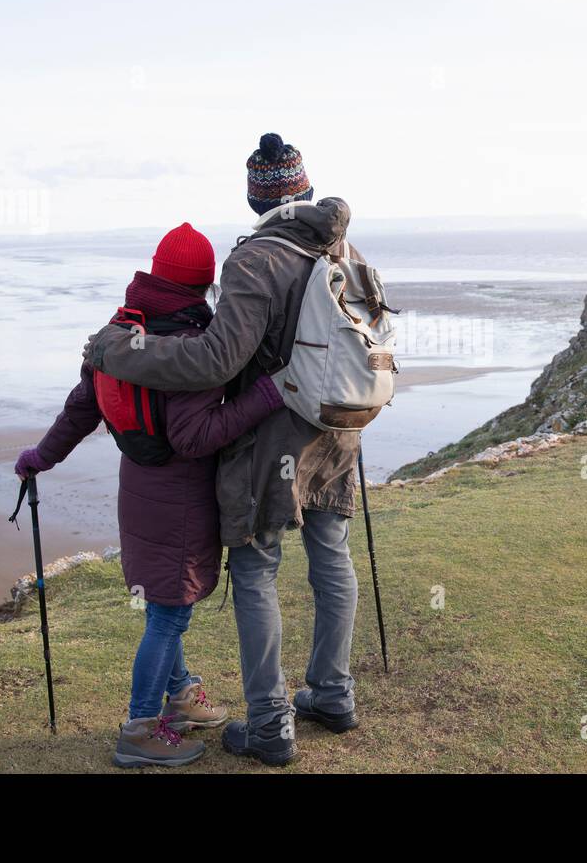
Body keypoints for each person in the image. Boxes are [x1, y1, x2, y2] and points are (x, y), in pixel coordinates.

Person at [85, 133, 367, 766]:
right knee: (330, 553)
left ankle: (270, 725)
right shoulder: (341, 248)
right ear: (305, 189)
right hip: (337, 430)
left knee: (257, 569)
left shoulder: (256, 259)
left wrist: (120, 350)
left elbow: (217, 360)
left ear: (255, 196)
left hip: (273, 442)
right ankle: (332, 693)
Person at [16, 222, 285, 768]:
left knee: (163, 602)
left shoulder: (120, 331)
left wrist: (40, 457)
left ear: (155, 274)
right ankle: (140, 728)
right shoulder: (193, 349)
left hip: (137, 489)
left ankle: (181, 694)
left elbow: (80, 410)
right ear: (204, 285)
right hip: (180, 502)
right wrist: (263, 396)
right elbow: (193, 437)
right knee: (170, 613)